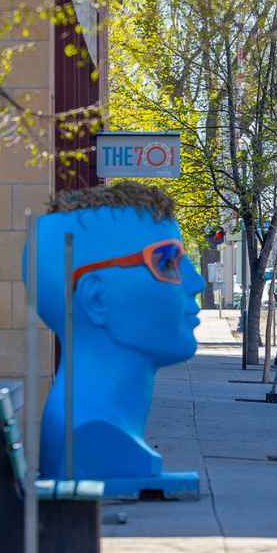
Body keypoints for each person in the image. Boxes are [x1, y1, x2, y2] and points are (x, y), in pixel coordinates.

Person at [27, 182, 205, 491]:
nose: (197, 282)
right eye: (166, 261)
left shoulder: (73, 424)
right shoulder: (88, 434)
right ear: (97, 298)